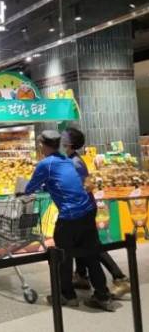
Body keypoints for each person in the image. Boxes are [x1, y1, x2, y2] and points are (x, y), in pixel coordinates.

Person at [25, 130, 114, 311]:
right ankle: (102, 296)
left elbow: (29, 188)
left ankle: (67, 295)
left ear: (43, 145)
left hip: (69, 216)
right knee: (91, 255)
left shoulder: (45, 164)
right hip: (87, 212)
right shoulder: (67, 160)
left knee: (62, 256)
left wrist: (23, 191)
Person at [62, 128, 131, 298]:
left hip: (82, 210)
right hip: (79, 209)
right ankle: (81, 276)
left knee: (92, 245)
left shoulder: (75, 163)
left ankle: (120, 278)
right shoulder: (70, 160)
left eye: (62, 137)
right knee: (79, 243)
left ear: (69, 144)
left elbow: (80, 188)